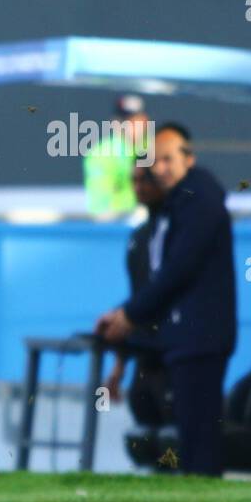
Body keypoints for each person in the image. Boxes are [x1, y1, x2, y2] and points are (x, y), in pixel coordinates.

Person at [96, 124, 235, 476]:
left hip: (198, 336)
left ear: (189, 159)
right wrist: (125, 316)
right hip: (177, 338)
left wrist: (130, 315)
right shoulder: (168, 211)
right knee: (186, 433)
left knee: (199, 435)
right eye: (156, 161)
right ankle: (194, 492)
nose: (161, 169)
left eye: (169, 159)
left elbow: (179, 269)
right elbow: (156, 278)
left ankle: (204, 501)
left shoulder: (199, 198)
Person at [102, 163, 172, 431]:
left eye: (145, 180)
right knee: (147, 439)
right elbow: (138, 298)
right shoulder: (139, 237)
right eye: (134, 180)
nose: (139, 187)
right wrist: (118, 368)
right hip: (145, 355)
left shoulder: (179, 233)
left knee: (178, 441)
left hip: (173, 354)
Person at [83, 93, 149, 216]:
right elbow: (99, 206)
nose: (132, 125)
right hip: (119, 225)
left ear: (145, 121)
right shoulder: (101, 154)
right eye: (125, 120)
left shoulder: (158, 148)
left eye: (137, 120)